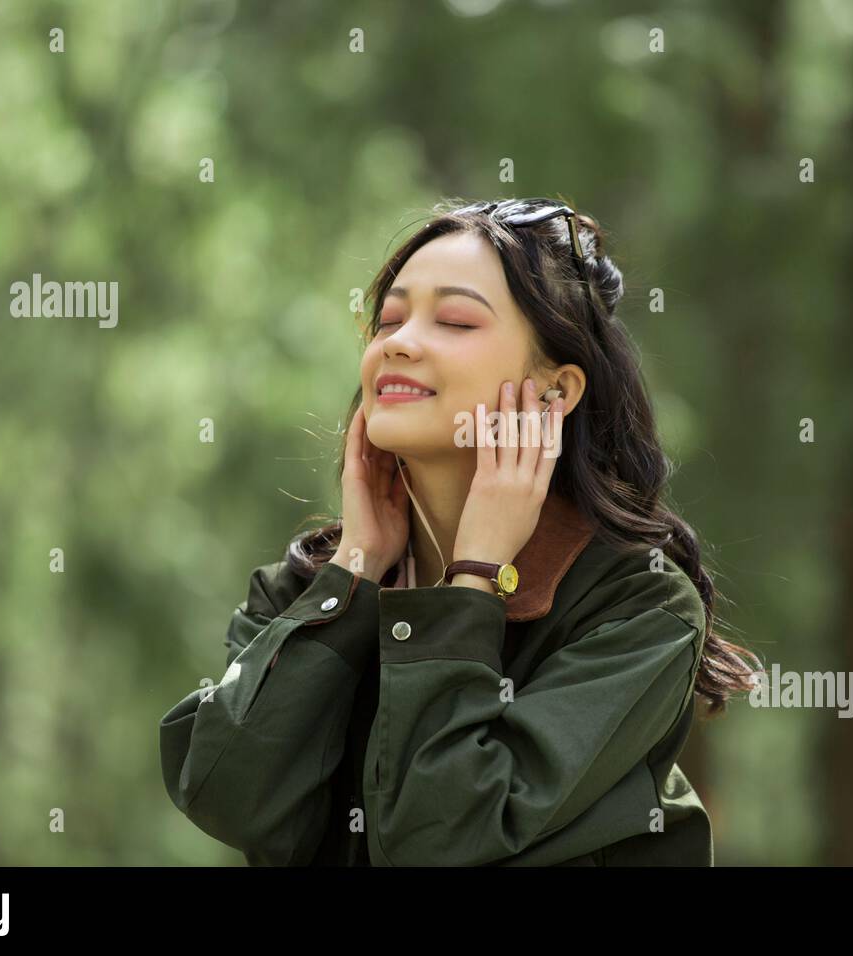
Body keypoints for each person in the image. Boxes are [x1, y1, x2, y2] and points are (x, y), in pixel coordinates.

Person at [159, 197, 760, 866]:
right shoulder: (310, 588)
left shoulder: (635, 608)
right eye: (388, 319)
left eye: (453, 320)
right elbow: (226, 793)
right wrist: (355, 570)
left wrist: (473, 577)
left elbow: (440, 837)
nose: (399, 342)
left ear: (554, 392)